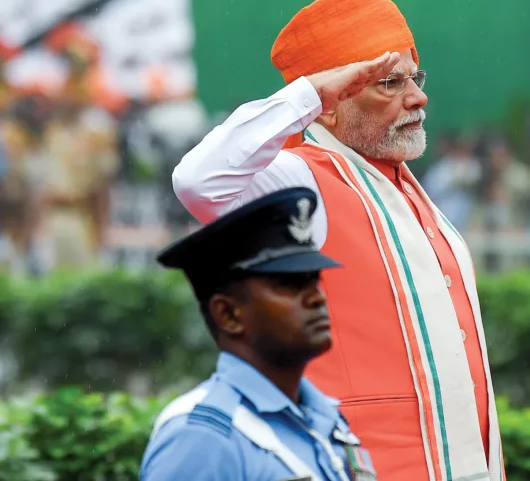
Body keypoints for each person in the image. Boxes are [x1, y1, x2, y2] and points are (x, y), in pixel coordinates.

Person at [173, 0, 504, 481]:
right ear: (327, 107)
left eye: (415, 78)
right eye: (389, 83)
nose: (417, 98)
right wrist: (308, 94)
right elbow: (198, 181)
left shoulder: (405, 185)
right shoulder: (298, 181)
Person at [141, 187, 376, 480]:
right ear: (228, 314)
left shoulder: (323, 417)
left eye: (313, 280)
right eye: (289, 284)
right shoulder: (202, 439)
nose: (316, 298)